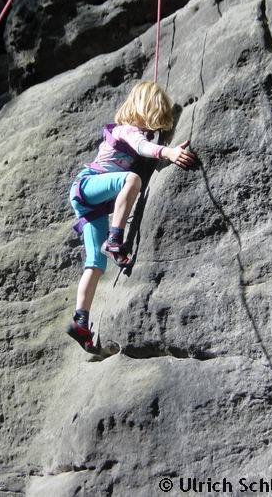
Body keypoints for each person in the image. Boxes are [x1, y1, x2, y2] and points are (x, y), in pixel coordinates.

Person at [67, 81, 196, 352]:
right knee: (132, 180)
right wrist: (169, 152)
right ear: (145, 110)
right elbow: (141, 147)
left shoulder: (138, 133)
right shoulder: (127, 130)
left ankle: (81, 322)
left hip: (93, 206)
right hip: (88, 185)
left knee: (95, 264)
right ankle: (115, 239)